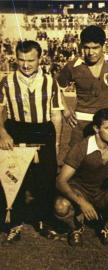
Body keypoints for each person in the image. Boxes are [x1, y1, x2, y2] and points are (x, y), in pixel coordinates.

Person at [0, 40, 64, 242]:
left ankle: (43, 220)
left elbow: (56, 115)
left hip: (43, 131)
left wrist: (56, 143)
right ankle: (14, 222)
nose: (25, 64)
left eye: (31, 60)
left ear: (40, 59)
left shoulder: (50, 81)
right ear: (15, 58)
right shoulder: (6, 81)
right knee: (14, 178)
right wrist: (2, 133)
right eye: (21, 59)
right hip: (16, 130)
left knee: (45, 180)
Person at [54, 108, 108, 246]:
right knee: (61, 207)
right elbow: (60, 181)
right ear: (96, 128)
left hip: (106, 192)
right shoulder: (81, 148)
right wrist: (81, 202)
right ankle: (76, 227)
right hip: (82, 190)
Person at [57, 25, 108, 147]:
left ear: (103, 46)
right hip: (82, 121)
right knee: (78, 162)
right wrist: (66, 111)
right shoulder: (73, 67)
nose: (90, 52)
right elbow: (56, 89)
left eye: (95, 48)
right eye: (86, 48)